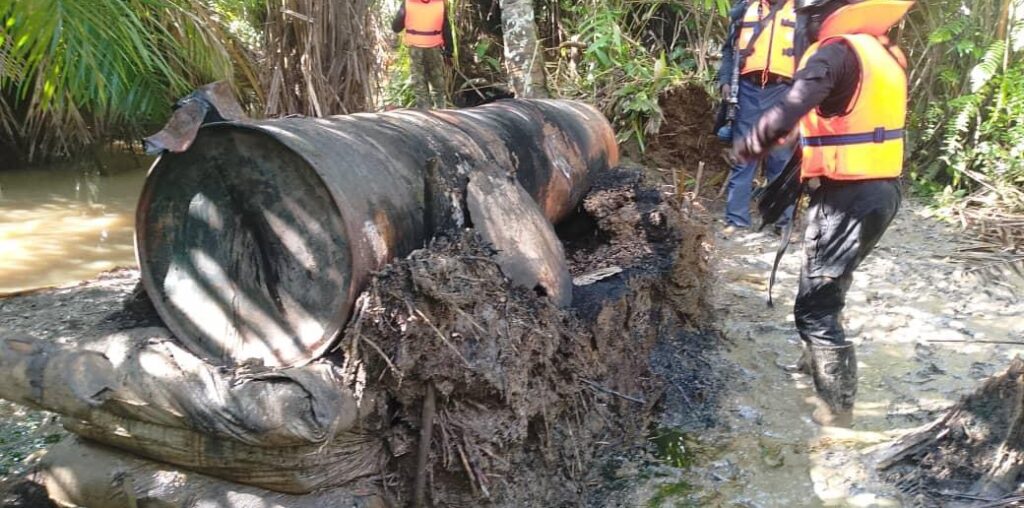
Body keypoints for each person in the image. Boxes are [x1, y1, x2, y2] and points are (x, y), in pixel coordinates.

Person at [732, 0, 913, 424]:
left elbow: (789, 109)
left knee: (815, 307)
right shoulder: (883, 53)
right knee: (826, 279)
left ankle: (837, 412)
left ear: (822, 16)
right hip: (881, 191)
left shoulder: (834, 53)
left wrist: (747, 146)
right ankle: (809, 362)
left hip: (848, 198)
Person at [719, 0, 800, 234]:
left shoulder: (801, 12)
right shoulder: (745, 9)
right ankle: (736, 220)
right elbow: (728, 49)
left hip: (785, 91)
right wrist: (725, 80)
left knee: (781, 160)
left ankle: (782, 222)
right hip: (747, 90)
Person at [392, 0, 454, 109]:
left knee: (419, 83)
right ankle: (441, 109)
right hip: (434, 47)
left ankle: (424, 111)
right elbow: (446, 28)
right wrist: (449, 50)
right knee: (437, 83)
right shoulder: (440, 3)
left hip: (416, 49)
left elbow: (396, 27)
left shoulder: (408, 3)